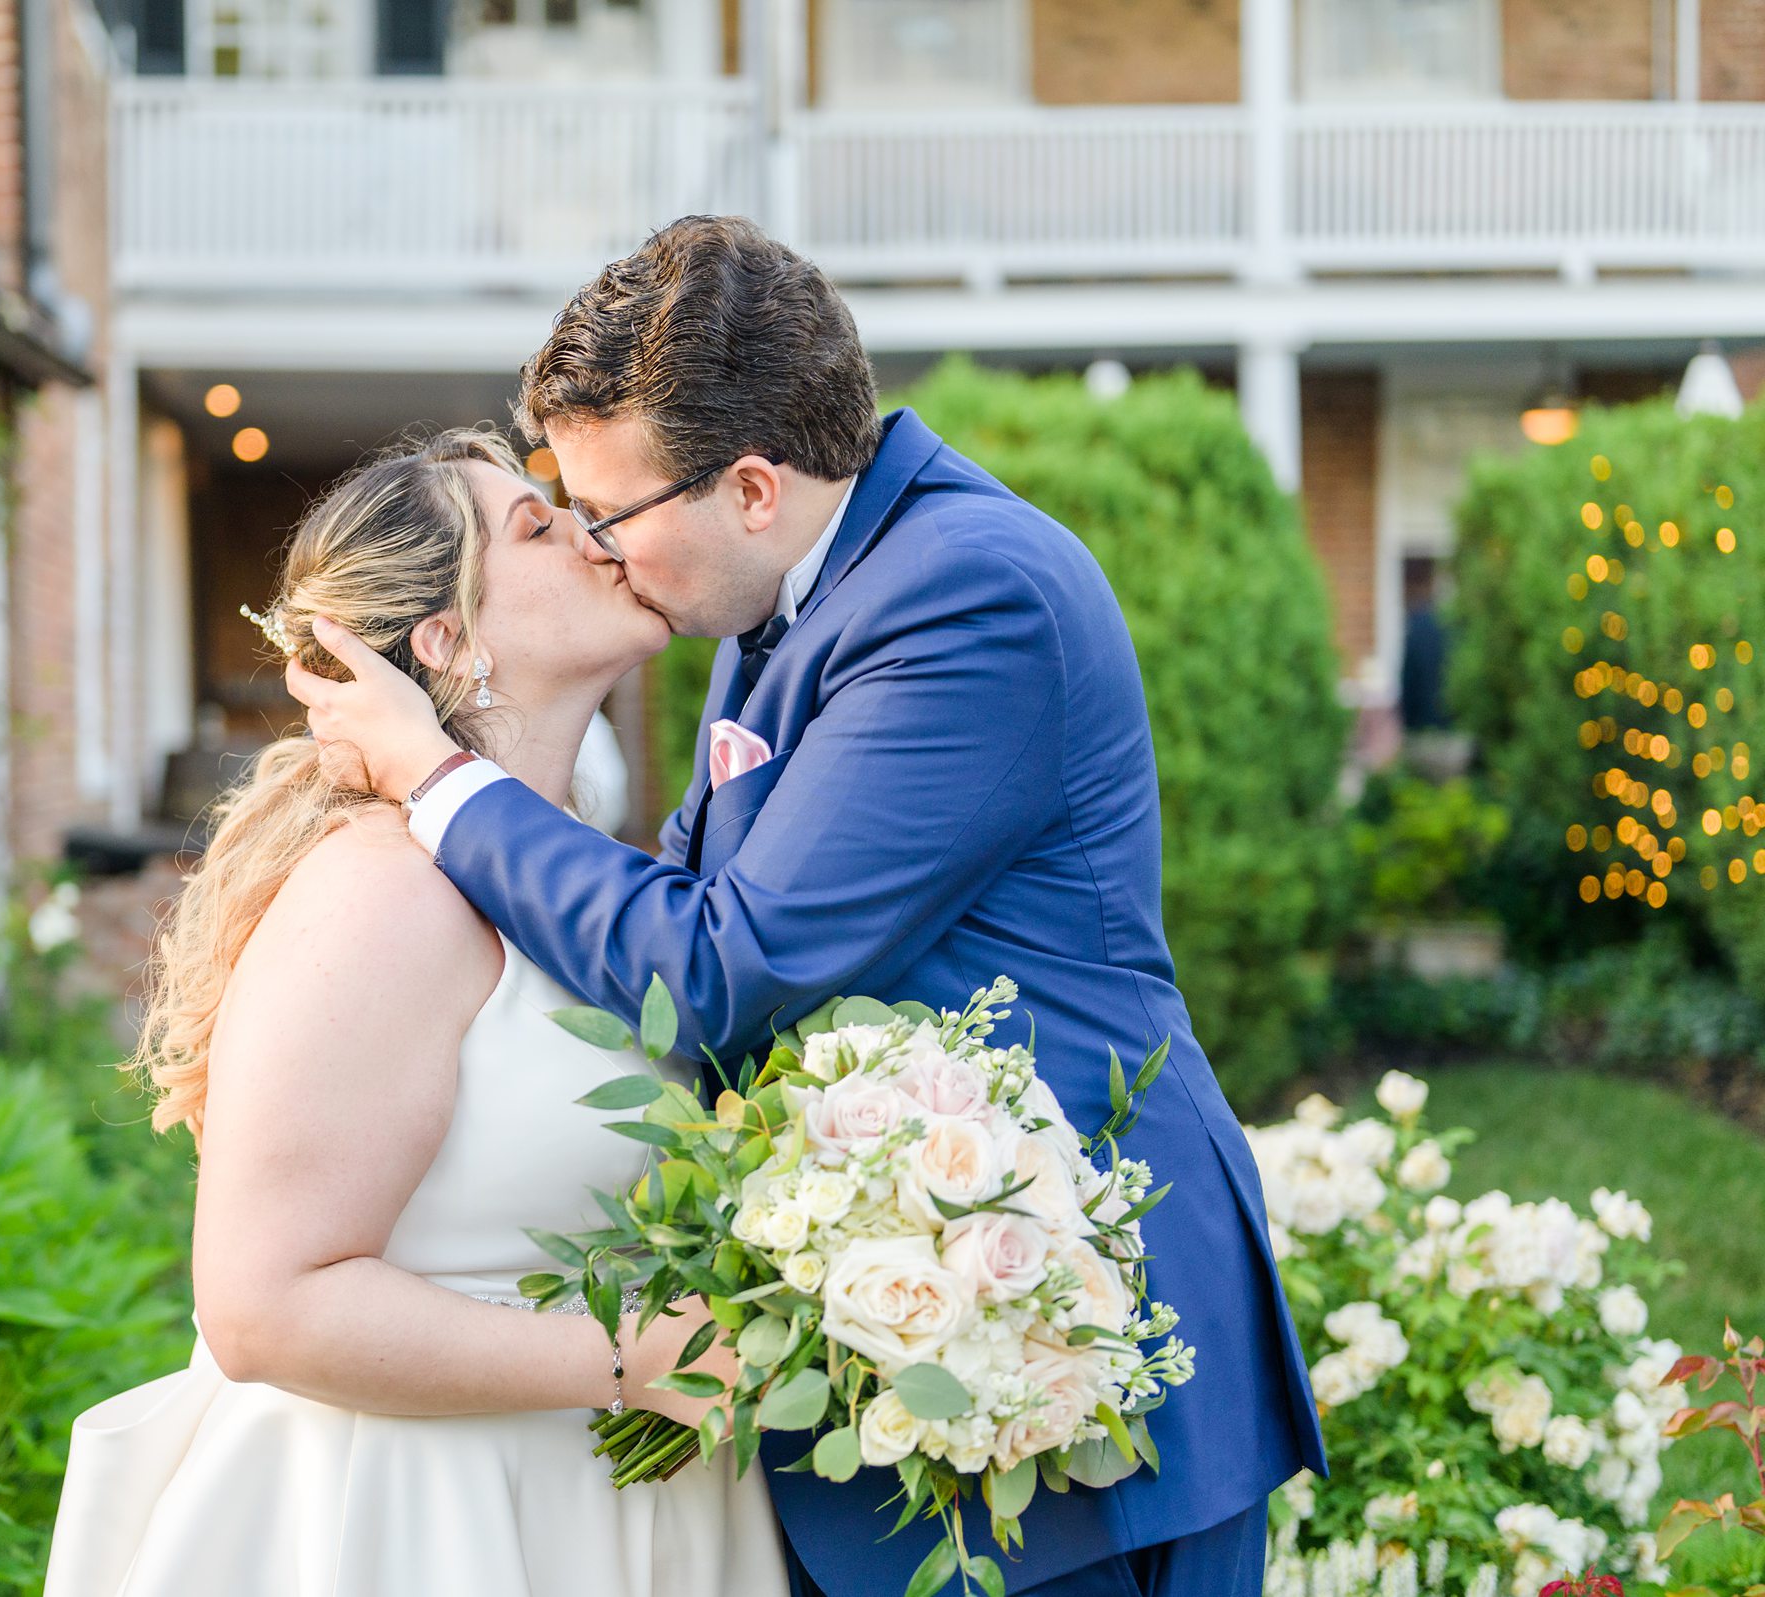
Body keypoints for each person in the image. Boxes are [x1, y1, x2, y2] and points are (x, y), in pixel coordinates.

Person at [286, 216, 1329, 1597]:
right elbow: (681, 904)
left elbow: (727, 963)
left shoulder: (965, 595)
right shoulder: (785, 599)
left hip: (1067, 1359)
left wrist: (436, 778)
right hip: (916, 1358)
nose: (600, 550)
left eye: (607, 513)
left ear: (754, 488)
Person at [40, 430, 789, 1597]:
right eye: (538, 527)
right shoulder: (383, 890)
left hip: (603, 1509)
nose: (593, 533)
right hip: (423, 1525)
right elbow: (262, 1303)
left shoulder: (588, 882)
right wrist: (631, 1357)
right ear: (447, 638)